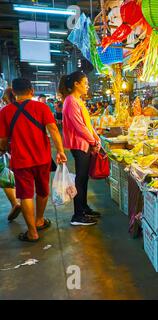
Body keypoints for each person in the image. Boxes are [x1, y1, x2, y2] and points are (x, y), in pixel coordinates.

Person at [0, 79, 67, 241]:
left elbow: (2, 139)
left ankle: (32, 233)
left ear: (14, 93)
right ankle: (39, 220)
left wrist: (4, 149)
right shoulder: (42, 107)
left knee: (25, 195)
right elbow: (53, 130)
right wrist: (60, 151)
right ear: (31, 90)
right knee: (43, 191)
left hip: (21, 160)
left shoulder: (5, 112)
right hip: (42, 158)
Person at [59, 71, 101, 226]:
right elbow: (79, 127)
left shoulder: (78, 100)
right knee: (80, 180)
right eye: (85, 83)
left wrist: (96, 138)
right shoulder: (70, 101)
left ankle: (84, 208)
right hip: (79, 145)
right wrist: (93, 141)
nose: (87, 86)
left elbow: (88, 125)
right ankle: (78, 215)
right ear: (76, 84)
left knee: (83, 179)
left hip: (85, 144)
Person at [1, 87, 21, 222]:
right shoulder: (25, 108)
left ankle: (15, 203)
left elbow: (2, 136)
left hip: (9, 149)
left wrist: (3, 147)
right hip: (21, 150)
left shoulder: (5, 111)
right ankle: (17, 202)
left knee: (4, 176)